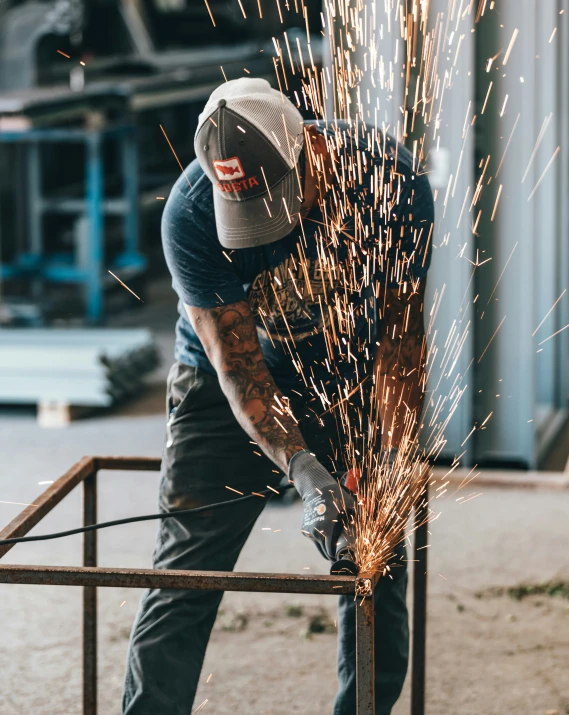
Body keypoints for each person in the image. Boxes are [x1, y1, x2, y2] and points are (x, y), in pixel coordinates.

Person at [123, 77, 433, 715]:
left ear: (308, 148)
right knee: (184, 571)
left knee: (376, 562)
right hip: (226, 384)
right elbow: (238, 372)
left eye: (273, 201)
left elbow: (401, 344)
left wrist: (392, 459)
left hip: (350, 374)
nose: (262, 232)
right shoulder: (188, 215)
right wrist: (305, 470)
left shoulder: (392, 186)